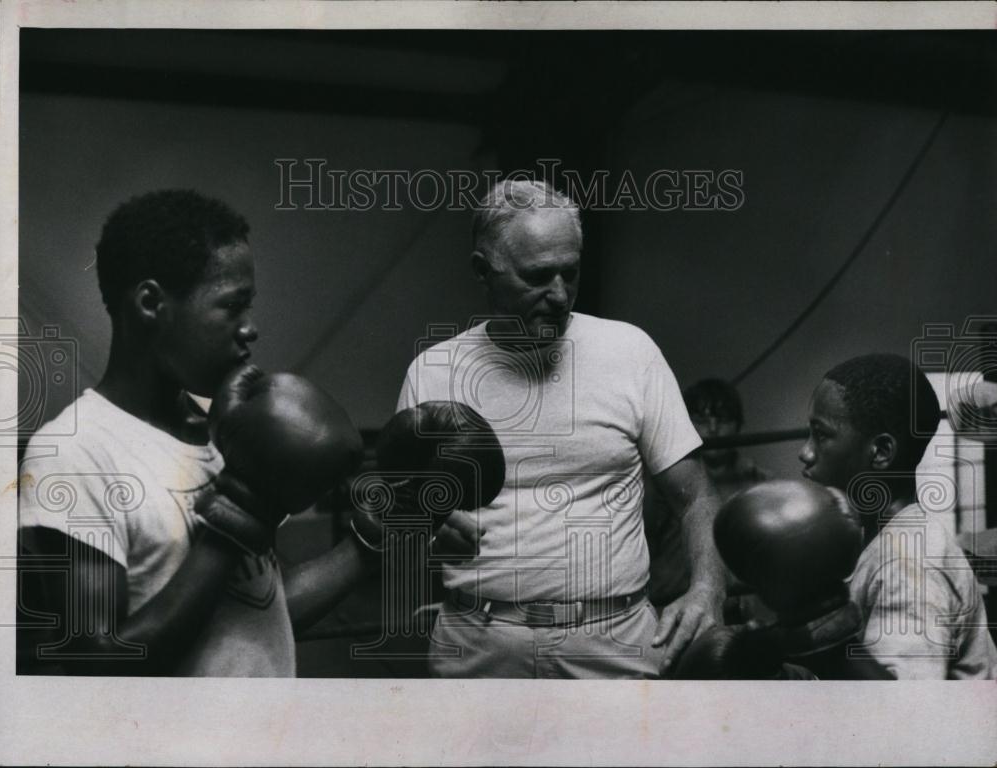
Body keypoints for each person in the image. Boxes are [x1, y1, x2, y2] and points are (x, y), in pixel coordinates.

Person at [16, 189, 465, 676]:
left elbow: (259, 612)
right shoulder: (74, 455)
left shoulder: (223, 428)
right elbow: (96, 663)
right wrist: (235, 519)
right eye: (233, 306)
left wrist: (380, 535)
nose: (250, 329)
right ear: (150, 303)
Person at [395, 179, 725, 678]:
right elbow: (402, 517)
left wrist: (708, 589)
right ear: (482, 271)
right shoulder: (433, 371)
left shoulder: (630, 352)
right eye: (536, 276)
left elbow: (696, 495)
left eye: (569, 274)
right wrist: (428, 530)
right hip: (480, 638)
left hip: (614, 636)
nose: (558, 294)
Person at [798, 353, 997, 679]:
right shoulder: (873, 539)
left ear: (881, 452)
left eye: (820, 435)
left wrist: (828, 650)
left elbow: (905, 715)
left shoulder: (907, 565)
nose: (804, 452)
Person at [643, 378, 770, 608]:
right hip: (674, 607)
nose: (712, 429)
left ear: (738, 424)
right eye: (701, 420)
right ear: (687, 424)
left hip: (743, 612)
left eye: (722, 420)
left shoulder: (760, 483)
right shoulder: (660, 488)